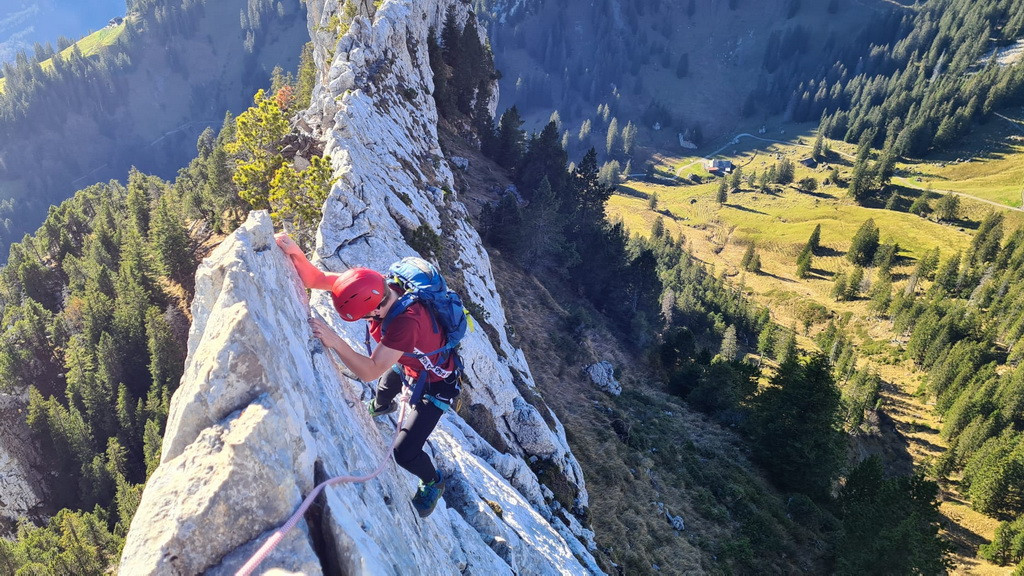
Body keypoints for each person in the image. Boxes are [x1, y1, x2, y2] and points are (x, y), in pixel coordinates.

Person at [275, 232, 460, 518]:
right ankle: (382, 406)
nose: (364, 320)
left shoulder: (405, 324)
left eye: (364, 317)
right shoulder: (370, 285)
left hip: (438, 384)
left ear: (374, 309)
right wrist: (295, 253)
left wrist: (335, 341)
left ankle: (434, 482)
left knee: (404, 452)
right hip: (410, 363)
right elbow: (317, 279)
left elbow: (370, 371)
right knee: (387, 387)